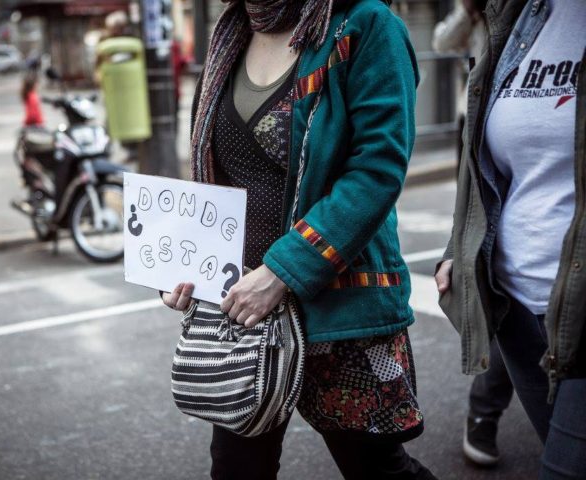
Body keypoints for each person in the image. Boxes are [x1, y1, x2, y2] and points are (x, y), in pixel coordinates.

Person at [162, 0, 436, 478]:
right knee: (236, 470)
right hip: (245, 309)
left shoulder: (366, 24)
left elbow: (377, 170)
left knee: (376, 470)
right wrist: (191, 265)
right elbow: (223, 180)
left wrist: (283, 271)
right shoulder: (232, 32)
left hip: (343, 305)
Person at [434, 0, 586, 477]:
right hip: (514, 306)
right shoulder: (515, 12)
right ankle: (482, 418)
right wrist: (457, 248)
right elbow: (489, 167)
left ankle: (482, 417)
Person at [431, 0, 515, 467]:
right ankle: (484, 413)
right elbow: (442, 42)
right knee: (507, 295)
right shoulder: (484, 13)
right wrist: (471, 11)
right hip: (479, 121)